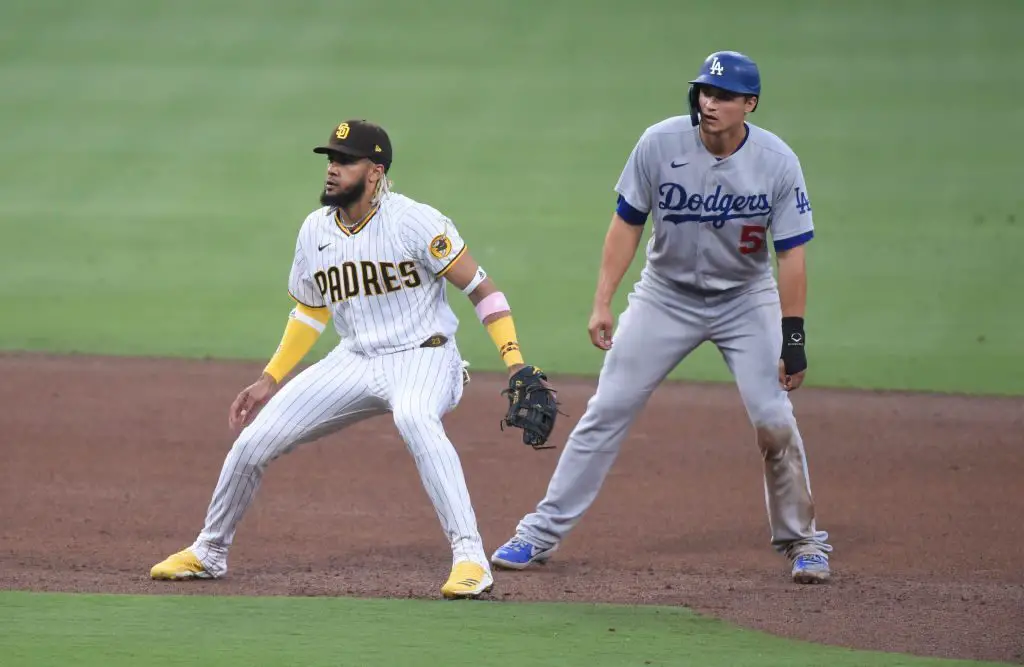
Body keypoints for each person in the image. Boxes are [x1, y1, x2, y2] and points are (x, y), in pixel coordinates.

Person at [151, 119, 555, 598]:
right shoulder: (315, 230)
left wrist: (515, 362)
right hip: (355, 359)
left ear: (376, 171)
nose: (332, 169)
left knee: (414, 418)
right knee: (252, 443)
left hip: (424, 355)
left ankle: (470, 559)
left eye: (345, 161)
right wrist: (269, 378)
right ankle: (210, 552)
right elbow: (310, 310)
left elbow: (481, 289)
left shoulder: (414, 222)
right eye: (330, 159)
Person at [490, 51, 833, 584]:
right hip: (665, 296)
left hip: (746, 299)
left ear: (750, 104)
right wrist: (603, 300)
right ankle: (539, 531)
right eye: (703, 91)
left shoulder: (777, 162)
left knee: (774, 418)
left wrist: (794, 336)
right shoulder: (659, 143)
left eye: (721, 96)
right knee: (607, 409)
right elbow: (626, 222)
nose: (709, 103)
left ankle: (804, 542)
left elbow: (791, 254)